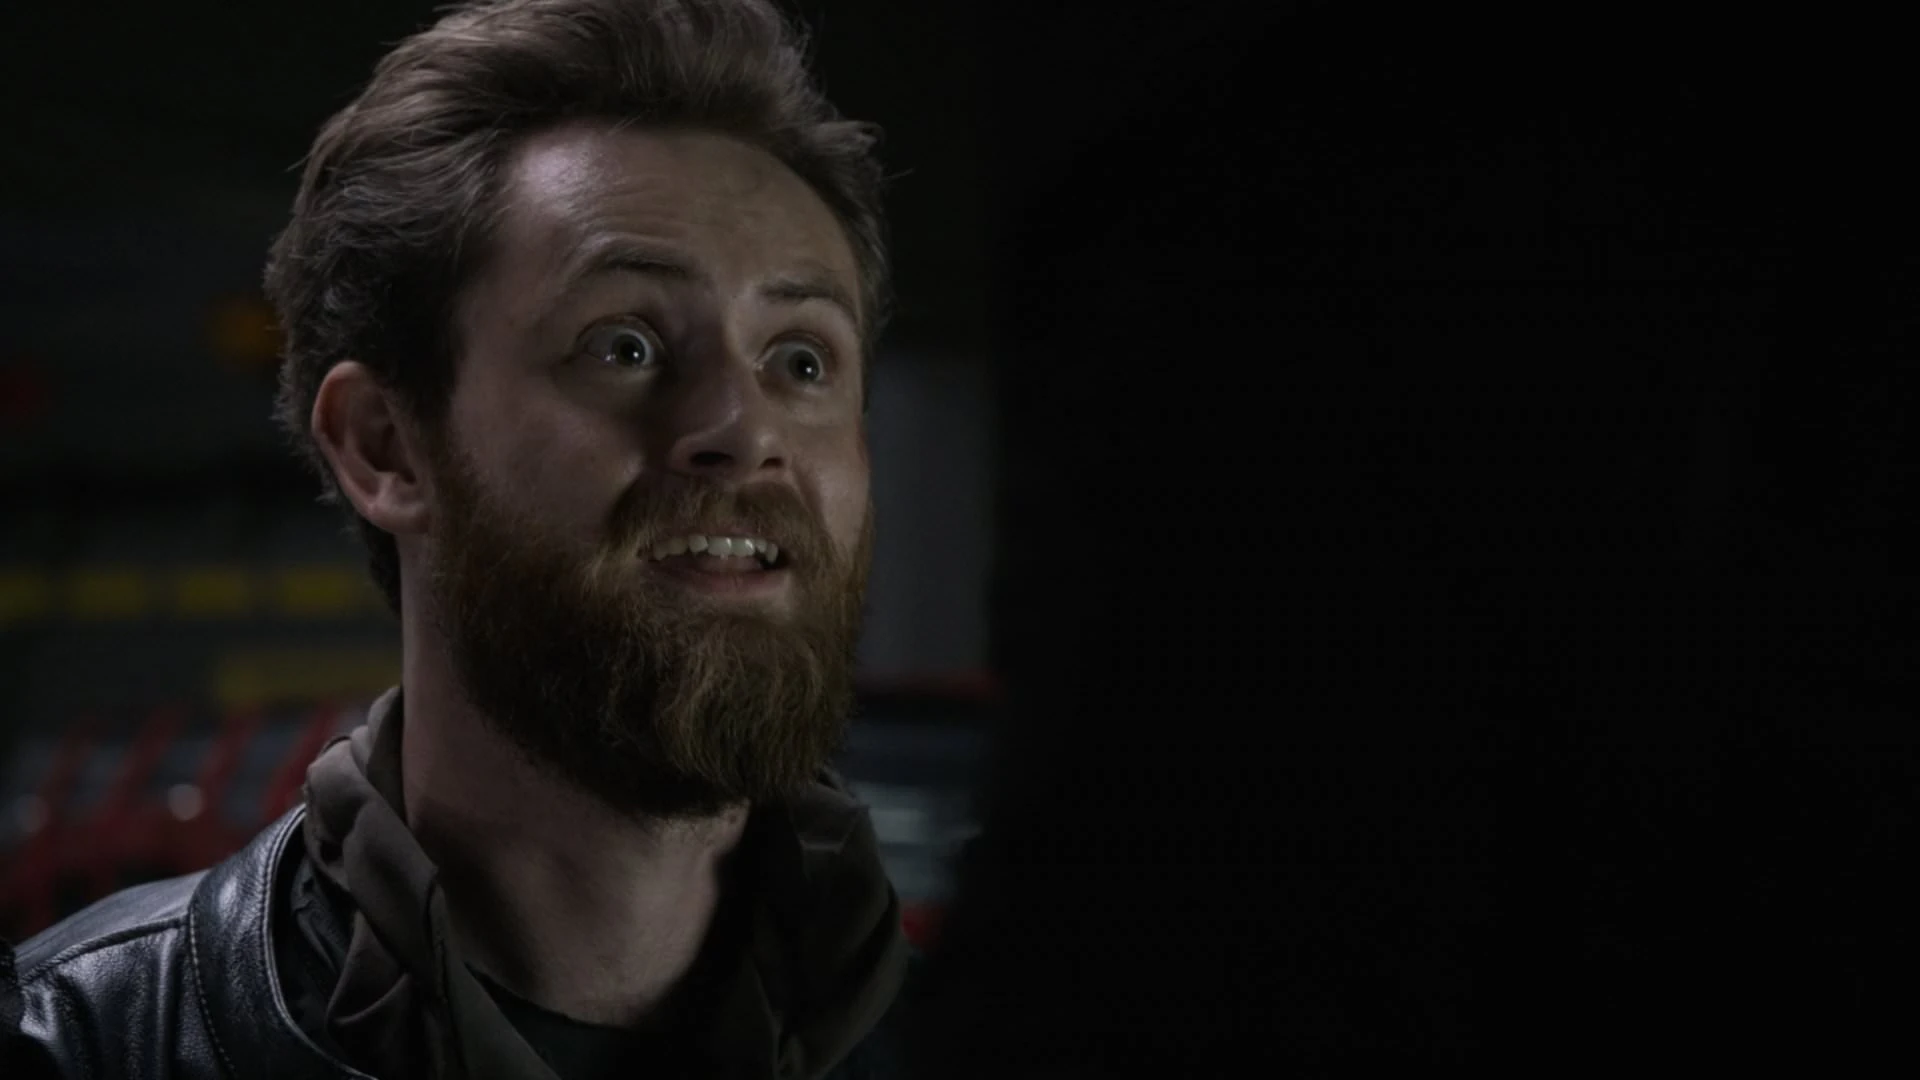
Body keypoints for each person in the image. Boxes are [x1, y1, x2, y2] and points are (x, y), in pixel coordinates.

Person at [6, 1, 912, 1077]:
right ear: (385, 446)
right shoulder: (82, 1047)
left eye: (802, 361)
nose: (744, 427)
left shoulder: (1001, 1029)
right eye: (623, 346)